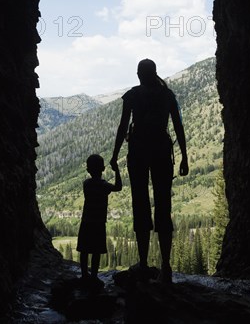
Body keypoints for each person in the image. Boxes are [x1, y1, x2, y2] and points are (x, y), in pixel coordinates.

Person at [110, 59, 189, 284]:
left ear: (139, 74)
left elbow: (123, 126)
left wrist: (115, 155)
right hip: (162, 151)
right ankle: (166, 266)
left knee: (140, 203)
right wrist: (184, 156)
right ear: (154, 73)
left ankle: (143, 263)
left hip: (138, 152)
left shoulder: (133, 95)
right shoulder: (167, 95)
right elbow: (178, 125)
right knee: (164, 204)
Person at [76, 153, 122, 288]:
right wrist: (117, 170)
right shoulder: (104, 185)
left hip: (86, 221)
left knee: (84, 250)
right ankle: (94, 276)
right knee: (96, 251)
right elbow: (118, 187)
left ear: (88, 170)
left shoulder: (86, 184)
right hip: (99, 222)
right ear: (102, 169)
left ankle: (84, 275)